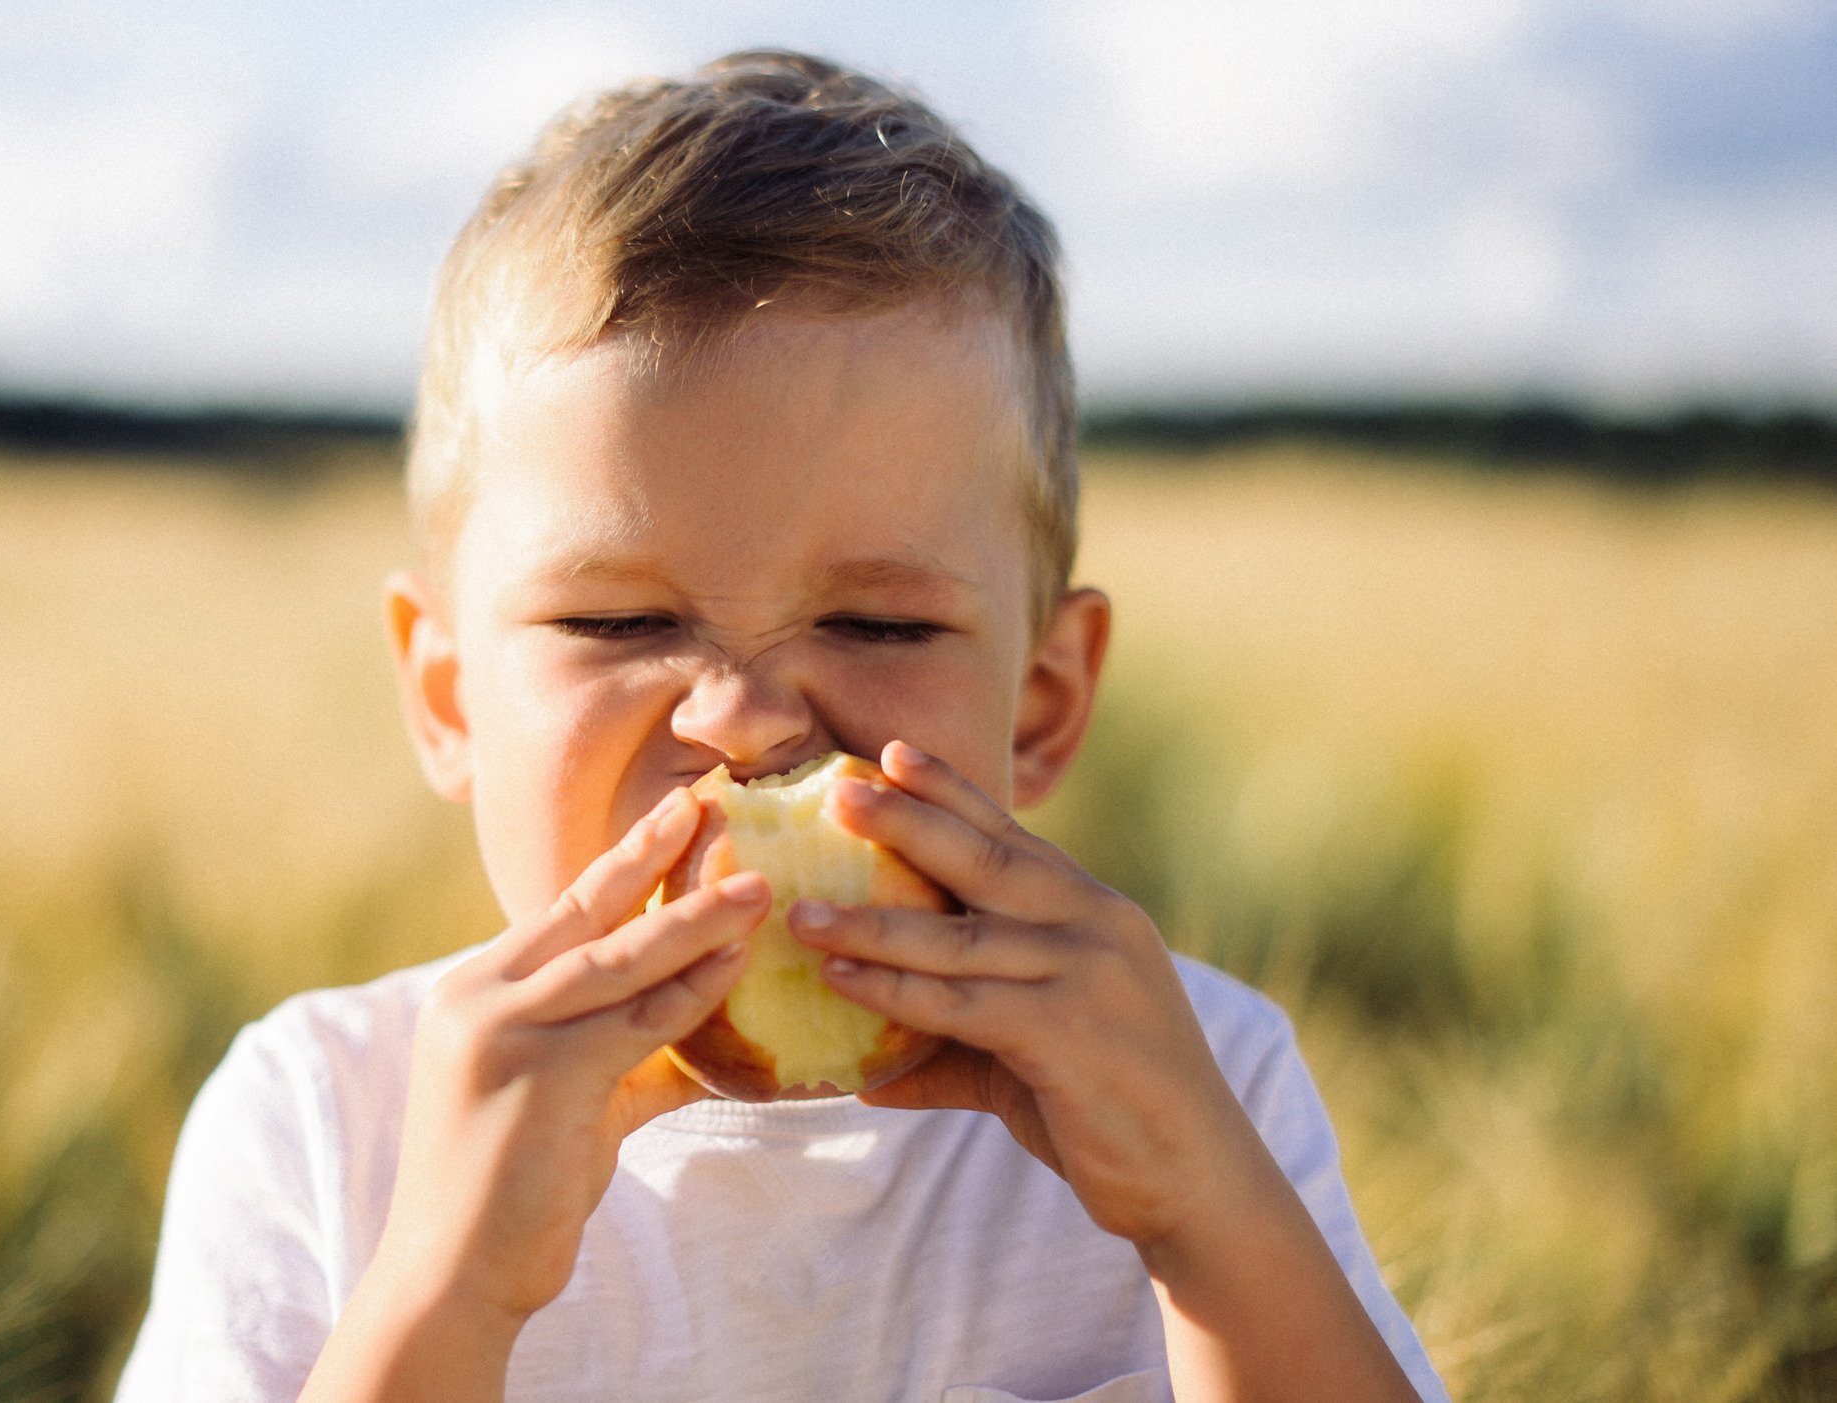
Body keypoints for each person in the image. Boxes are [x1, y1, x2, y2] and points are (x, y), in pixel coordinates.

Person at [116, 50, 1448, 1403]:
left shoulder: (1193, 1081)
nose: (749, 725)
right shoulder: (323, 1122)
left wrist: (1207, 1228)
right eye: (618, 623)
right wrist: (444, 1290)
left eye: (878, 625)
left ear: (1043, 706)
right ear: (449, 699)